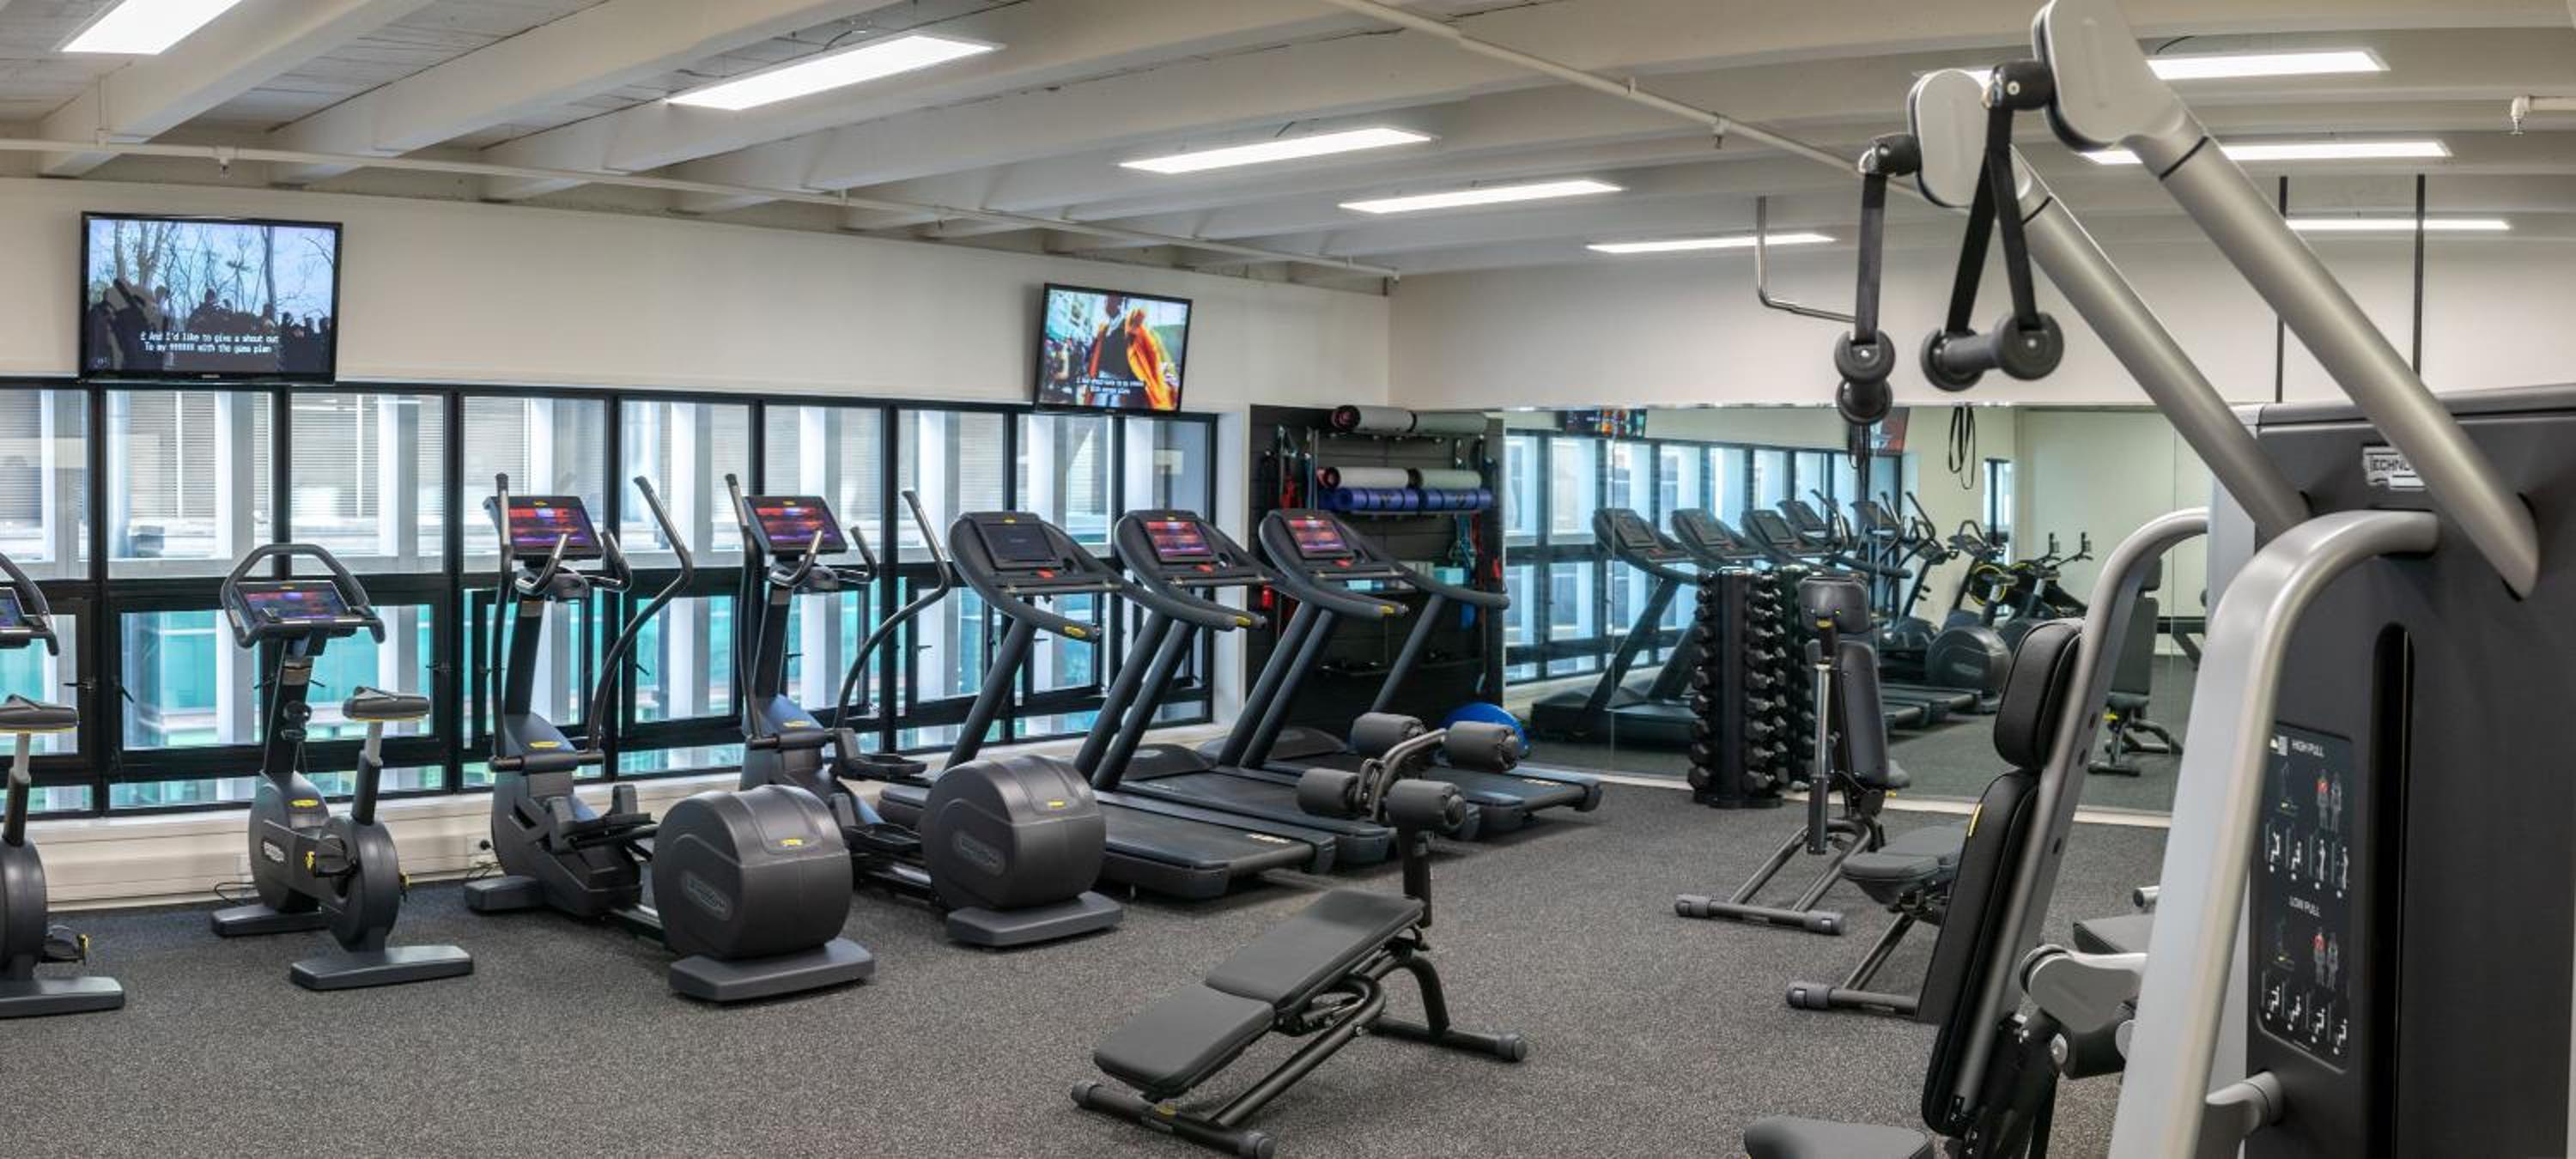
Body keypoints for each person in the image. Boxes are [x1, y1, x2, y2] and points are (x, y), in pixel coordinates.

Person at [1084, 298, 1179, 410]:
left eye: (1110, 300)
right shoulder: (1104, 329)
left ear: (1120, 303)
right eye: (1106, 300)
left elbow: (1140, 358)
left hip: (1121, 384)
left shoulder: (1130, 328)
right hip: (1102, 381)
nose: (1106, 304)